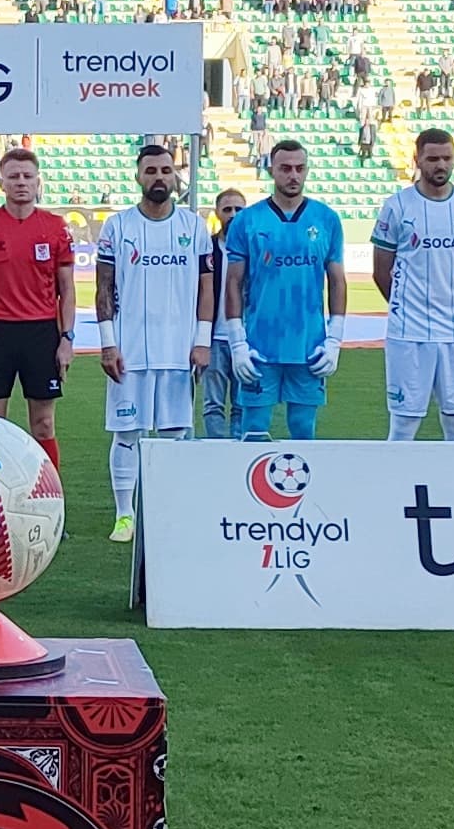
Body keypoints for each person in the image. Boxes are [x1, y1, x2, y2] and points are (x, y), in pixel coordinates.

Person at [94, 138, 212, 541]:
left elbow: (206, 288)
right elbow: (104, 287)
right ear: (138, 176)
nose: (159, 177)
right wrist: (108, 342)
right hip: (130, 350)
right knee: (127, 433)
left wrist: (203, 341)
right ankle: (124, 515)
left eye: (165, 170)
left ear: (174, 175)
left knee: (175, 434)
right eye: (151, 171)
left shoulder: (194, 226)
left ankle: (168, 512)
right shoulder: (118, 226)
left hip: (179, 350)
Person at [366, 125, 454, 444]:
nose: (441, 165)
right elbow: (382, 271)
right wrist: (406, 305)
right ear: (417, 160)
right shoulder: (397, 206)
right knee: (404, 424)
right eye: (433, 158)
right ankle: (395, 489)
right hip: (409, 331)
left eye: (447, 158)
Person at [0, 145, 75, 475]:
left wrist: (66, 339)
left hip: (41, 332)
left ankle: (49, 499)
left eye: (27, 176)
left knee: (43, 422)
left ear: (38, 181)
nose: (21, 182)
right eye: (13, 177)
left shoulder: (54, 227)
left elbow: (67, 289)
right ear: (1, 183)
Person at [220, 139, 347, 441]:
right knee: (253, 429)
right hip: (259, 346)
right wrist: (237, 343)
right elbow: (234, 282)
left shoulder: (326, 219)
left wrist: (335, 340)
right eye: (285, 168)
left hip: (309, 347)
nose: (293, 175)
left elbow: (337, 280)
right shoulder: (247, 221)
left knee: (304, 429)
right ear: (271, 170)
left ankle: (306, 491)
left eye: (299, 168)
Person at [196, 186, 249, 440]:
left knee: (242, 405)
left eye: (239, 209)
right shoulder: (207, 249)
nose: (233, 214)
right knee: (213, 404)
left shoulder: (255, 250)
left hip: (245, 340)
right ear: (217, 213)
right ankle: (216, 452)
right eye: (227, 209)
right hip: (214, 339)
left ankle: (238, 455)